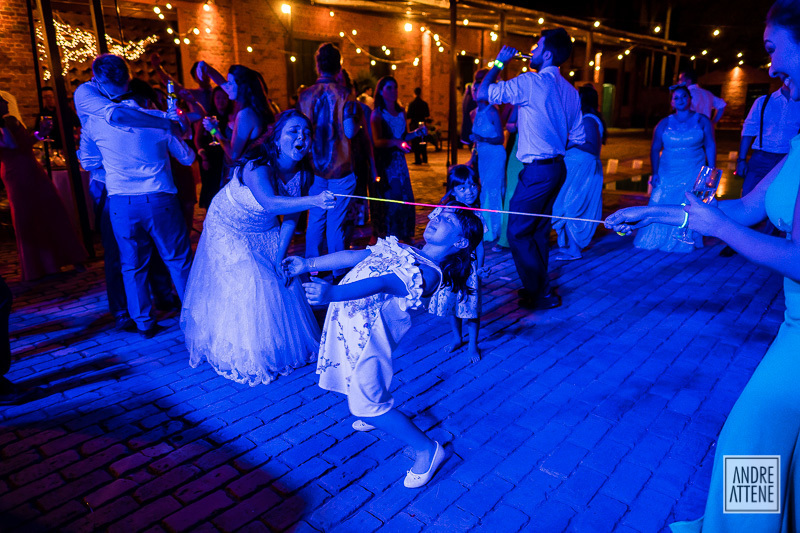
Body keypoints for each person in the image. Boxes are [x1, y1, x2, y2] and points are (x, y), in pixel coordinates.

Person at [607, 5, 800, 531]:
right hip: (792, 325)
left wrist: (721, 231)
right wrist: (651, 212)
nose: (770, 65)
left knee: (746, 447)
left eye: (774, 49)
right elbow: (745, 208)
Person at [282, 205, 483, 488]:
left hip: (369, 339)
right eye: (438, 214)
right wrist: (307, 264)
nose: (436, 217)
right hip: (350, 325)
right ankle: (377, 412)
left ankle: (427, 449)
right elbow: (354, 256)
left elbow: (384, 283)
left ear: (460, 242)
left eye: (448, 219)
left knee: (365, 405)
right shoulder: (404, 249)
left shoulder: (429, 275)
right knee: (359, 380)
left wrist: (334, 292)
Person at [182, 110, 336, 386]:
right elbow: (270, 203)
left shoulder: (303, 174)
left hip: (264, 228)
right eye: (293, 131)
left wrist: (279, 255)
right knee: (249, 281)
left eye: (307, 133)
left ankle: (277, 344)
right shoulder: (257, 165)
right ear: (276, 138)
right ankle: (243, 350)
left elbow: (291, 216)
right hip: (228, 225)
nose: (301, 137)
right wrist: (314, 201)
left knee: (281, 278)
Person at [78, 54, 195, 338]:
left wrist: (114, 160)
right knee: (177, 260)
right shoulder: (157, 118)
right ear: (129, 78)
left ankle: (144, 322)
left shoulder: (94, 122)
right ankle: (194, 315)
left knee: (132, 265)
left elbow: (88, 162)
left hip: (121, 202)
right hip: (160, 200)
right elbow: (188, 158)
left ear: (100, 82)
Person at [477, 28, 585, 310]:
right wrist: (552, 145)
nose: (532, 51)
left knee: (517, 231)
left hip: (537, 171)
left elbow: (482, 92)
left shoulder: (531, 81)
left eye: (536, 46)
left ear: (547, 54)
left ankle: (541, 293)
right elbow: (579, 137)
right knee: (537, 230)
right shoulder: (571, 91)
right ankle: (537, 289)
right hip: (556, 168)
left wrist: (499, 62)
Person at [0, 95, 87, 281]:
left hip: (32, 169)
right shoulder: (6, 122)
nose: (6, 102)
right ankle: (39, 267)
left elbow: (25, 143)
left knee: (53, 210)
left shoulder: (11, 119)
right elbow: (11, 145)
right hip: (16, 174)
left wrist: (40, 133)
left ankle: (70, 258)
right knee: (27, 217)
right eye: (1, 100)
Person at [298, 43, 358, 276]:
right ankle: (338, 271)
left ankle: (312, 269)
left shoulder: (305, 95)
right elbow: (350, 131)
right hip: (340, 168)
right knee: (336, 223)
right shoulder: (345, 94)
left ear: (317, 65)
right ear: (339, 66)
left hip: (314, 167)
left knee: (315, 219)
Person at [634, 84, 716, 253]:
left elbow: (710, 145)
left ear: (690, 99)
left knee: (688, 203)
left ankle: (684, 238)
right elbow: (655, 148)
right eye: (676, 98)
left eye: (684, 96)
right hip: (668, 170)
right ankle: (656, 237)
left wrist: (711, 171)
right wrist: (654, 172)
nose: (680, 100)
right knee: (662, 200)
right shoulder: (664, 123)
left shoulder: (702, 120)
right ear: (671, 102)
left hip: (693, 168)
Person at [721, 85, 800, 256]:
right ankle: (735, 241)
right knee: (747, 196)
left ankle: (767, 243)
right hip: (761, 156)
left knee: (777, 199)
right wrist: (741, 159)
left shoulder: (798, 102)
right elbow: (748, 130)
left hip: (787, 158)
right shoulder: (763, 101)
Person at [428, 166, 486, 363]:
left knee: (471, 308)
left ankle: (473, 345)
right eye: (462, 188)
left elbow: (480, 247)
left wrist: (479, 269)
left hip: (469, 270)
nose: (469, 191)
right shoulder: (445, 211)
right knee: (451, 304)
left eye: (473, 185)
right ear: (452, 191)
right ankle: (457, 338)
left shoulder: (476, 215)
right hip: (449, 268)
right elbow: (433, 234)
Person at [552, 84, 607, 260]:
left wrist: (573, 141)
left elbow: (593, 148)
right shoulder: (584, 118)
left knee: (572, 206)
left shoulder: (589, 120)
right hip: (575, 170)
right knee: (566, 204)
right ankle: (571, 246)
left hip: (583, 170)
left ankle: (574, 250)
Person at [372, 76, 427, 244]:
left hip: (400, 161)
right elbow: (377, 141)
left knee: (406, 196)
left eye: (395, 87)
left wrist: (417, 133)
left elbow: (404, 136)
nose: (393, 91)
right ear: (381, 91)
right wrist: (396, 143)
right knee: (393, 197)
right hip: (387, 162)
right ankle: (391, 235)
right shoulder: (377, 114)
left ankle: (405, 234)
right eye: (389, 88)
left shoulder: (401, 111)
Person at [202, 64, 274, 184]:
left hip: (243, 176)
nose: (227, 87)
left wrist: (214, 130)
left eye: (230, 83)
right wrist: (206, 69)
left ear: (241, 87)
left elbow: (233, 155)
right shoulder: (252, 110)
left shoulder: (245, 114)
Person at [470, 69, 506, 243]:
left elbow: (500, 138)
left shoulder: (493, 112)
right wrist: (473, 155)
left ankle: (494, 229)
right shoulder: (473, 113)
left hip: (495, 154)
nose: (475, 93)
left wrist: (482, 138)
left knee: (493, 189)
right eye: (474, 90)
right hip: (483, 155)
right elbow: (475, 142)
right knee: (484, 188)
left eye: (478, 90)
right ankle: (485, 227)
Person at [196, 87, 232, 209]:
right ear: (213, 99)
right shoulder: (208, 117)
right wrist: (203, 156)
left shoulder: (232, 117)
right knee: (211, 189)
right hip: (210, 157)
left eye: (224, 98)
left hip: (226, 157)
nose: (221, 101)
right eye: (218, 98)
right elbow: (198, 139)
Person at [495, 106, 523, 251]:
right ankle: (506, 238)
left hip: (541, 152)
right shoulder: (520, 103)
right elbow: (509, 125)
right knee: (511, 195)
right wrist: (520, 124)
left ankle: (527, 238)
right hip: (519, 151)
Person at [34, 87, 77, 151]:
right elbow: (37, 132)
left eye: (50, 96)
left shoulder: (65, 111)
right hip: (52, 148)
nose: (48, 99)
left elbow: (78, 125)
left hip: (69, 146)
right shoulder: (42, 114)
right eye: (45, 97)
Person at [407, 87, 431, 165]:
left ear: (414, 93)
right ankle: (424, 158)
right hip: (422, 123)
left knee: (415, 142)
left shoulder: (412, 104)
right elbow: (427, 114)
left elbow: (408, 115)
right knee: (423, 141)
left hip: (414, 124)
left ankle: (417, 159)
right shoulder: (424, 104)